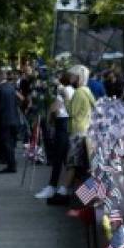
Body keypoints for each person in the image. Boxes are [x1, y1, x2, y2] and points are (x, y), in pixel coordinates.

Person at [49, 65, 95, 205]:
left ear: (79, 78)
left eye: (73, 76)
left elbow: (71, 111)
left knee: (72, 164)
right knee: (75, 166)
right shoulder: (87, 91)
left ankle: (63, 193)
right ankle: (67, 193)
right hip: (84, 129)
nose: (71, 79)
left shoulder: (79, 92)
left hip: (77, 131)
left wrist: (65, 97)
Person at [35, 72, 72, 200]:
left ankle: (54, 186)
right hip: (66, 123)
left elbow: (55, 108)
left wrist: (50, 118)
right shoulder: (70, 90)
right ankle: (60, 187)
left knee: (59, 158)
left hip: (63, 123)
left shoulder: (64, 89)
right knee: (64, 159)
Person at [0, 69, 22, 174]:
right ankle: (12, 163)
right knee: (11, 143)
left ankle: (11, 165)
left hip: (5, 119)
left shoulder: (0, 89)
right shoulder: (12, 87)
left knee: (7, 143)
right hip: (14, 118)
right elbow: (20, 99)